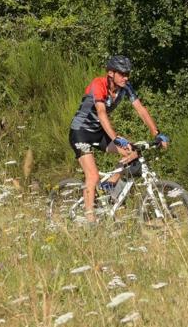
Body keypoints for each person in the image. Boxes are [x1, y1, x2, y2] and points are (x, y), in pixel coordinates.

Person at [67, 55, 169, 222]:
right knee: (92, 176)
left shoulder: (125, 87)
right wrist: (115, 138)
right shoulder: (98, 84)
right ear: (111, 73)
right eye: (122, 74)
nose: (126, 77)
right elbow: (101, 113)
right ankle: (90, 222)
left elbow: (141, 109)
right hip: (80, 132)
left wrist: (156, 133)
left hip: (99, 132)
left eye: (127, 74)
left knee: (133, 153)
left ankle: (107, 188)